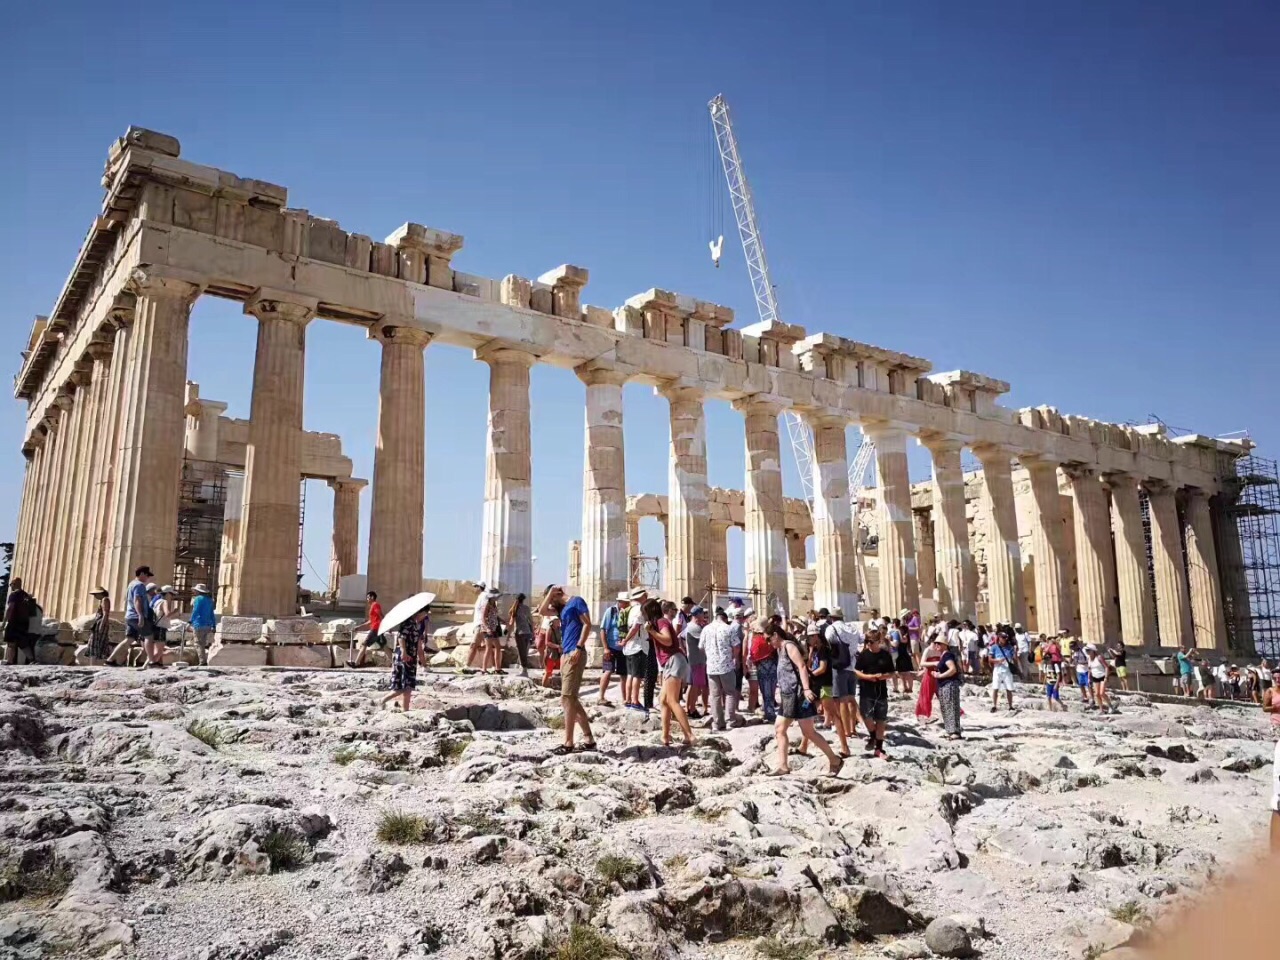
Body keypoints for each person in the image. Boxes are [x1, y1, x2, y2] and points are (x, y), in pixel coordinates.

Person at [770, 621, 843, 776]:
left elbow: (802, 667)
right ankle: (783, 765)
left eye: (768, 639)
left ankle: (834, 759)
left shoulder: (789, 646)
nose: (768, 643)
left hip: (798, 695)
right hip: (788, 695)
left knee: (809, 732)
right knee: (780, 728)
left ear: (775, 635)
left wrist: (806, 689)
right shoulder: (781, 648)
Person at [539, 585, 596, 754]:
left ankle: (568, 742)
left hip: (575, 653)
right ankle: (589, 739)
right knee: (571, 698)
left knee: (566, 697)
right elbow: (542, 611)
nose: (550, 602)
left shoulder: (576, 602)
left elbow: (587, 623)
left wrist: (579, 647)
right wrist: (549, 595)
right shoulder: (562, 610)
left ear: (559, 593)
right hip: (566, 654)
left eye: (552, 598)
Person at [646, 599, 695, 748]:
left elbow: (667, 641)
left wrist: (652, 632)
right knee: (663, 700)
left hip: (674, 660)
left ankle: (689, 735)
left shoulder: (661, 622)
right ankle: (665, 736)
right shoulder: (661, 622)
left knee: (672, 700)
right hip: (672, 662)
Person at [380, 604, 430, 712]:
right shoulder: (409, 624)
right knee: (403, 686)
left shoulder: (414, 625)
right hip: (405, 658)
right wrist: (404, 651)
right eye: (425, 614)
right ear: (420, 613)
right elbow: (401, 637)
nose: (425, 616)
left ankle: (404, 708)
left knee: (406, 686)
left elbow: (418, 647)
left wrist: (423, 663)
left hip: (410, 659)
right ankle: (385, 701)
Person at [855, 629, 896, 759]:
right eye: (866, 641)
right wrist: (868, 677)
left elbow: (892, 673)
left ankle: (879, 748)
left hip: (881, 691)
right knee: (866, 717)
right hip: (866, 690)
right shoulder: (863, 655)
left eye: (871, 642)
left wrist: (881, 677)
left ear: (878, 641)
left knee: (880, 720)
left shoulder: (885, 655)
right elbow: (856, 671)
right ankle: (872, 735)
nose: (868, 644)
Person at [807, 624, 846, 754]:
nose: (809, 640)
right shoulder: (817, 649)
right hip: (816, 685)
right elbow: (810, 665)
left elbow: (822, 668)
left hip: (825, 685)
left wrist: (810, 674)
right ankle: (803, 745)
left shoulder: (824, 649)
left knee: (832, 713)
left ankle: (845, 747)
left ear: (816, 636)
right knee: (805, 711)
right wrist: (811, 652)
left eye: (810, 637)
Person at [702, 607, 742, 730]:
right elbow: (736, 646)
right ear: (724, 618)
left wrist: (709, 657)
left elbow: (701, 646)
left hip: (711, 666)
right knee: (730, 693)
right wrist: (735, 658)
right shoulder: (728, 628)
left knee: (715, 695)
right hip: (727, 665)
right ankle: (730, 720)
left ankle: (717, 722)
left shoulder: (706, 629)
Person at [826, 609, 861, 746]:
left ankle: (846, 730)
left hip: (839, 666)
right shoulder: (852, 629)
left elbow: (828, 643)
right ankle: (853, 728)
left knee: (842, 700)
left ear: (832, 618)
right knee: (851, 698)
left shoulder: (831, 629)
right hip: (852, 665)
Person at [112, 566, 154, 668]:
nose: (148, 578)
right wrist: (140, 615)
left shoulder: (131, 584)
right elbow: (137, 600)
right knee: (149, 636)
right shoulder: (139, 585)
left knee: (129, 639)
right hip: (136, 615)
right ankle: (153, 661)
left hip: (129, 616)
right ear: (142, 574)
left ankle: (110, 659)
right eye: (147, 575)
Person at [620, 588, 649, 711]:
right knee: (637, 675)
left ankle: (628, 699)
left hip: (630, 647)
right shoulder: (640, 610)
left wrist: (625, 641)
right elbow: (635, 628)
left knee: (630, 674)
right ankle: (635, 700)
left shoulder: (630, 609)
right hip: (638, 645)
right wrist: (625, 640)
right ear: (643, 596)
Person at [929, 635, 963, 739]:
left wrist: (940, 675)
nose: (936, 645)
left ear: (945, 645)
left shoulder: (948, 655)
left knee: (951, 707)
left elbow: (952, 669)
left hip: (950, 684)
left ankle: (955, 732)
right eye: (935, 643)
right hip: (943, 685)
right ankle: (949, 730)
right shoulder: (943, 656)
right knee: (945, 707)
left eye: (939, 643)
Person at [597, 592, 628, 703]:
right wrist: (605, 648)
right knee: (608, 671)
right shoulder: (611, 611)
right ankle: (601, 697)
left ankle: (625, 699)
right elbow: (603, 630)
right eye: (626, 602)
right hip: (611, 647)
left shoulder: (628, 613)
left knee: (624, 674)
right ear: (620, 602)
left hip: (624, 648)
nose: (627, 604)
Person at [750, 616, 779, 723]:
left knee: (765, 691)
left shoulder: (757, 639)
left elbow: (754, 653)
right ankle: (769, 710)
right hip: (773, 665)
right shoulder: (771, 638)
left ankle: (769, 712)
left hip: (762, 666)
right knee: (771, 690)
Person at [682, 606, 710, 719]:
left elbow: (680, 636)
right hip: (697, 660)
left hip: (693, 659)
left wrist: (685, 651)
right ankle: (692, 708)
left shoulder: (688, 626)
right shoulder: (695, 628)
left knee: (692, 685)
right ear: (697, 615)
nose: (704, 616)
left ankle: (688, 707)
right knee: (694, 686)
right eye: (702, 614)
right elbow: (705, 641)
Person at [3, 578, 37, 665]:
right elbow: (32, 611)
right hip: (24, 622)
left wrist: (4, 622)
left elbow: (10, 608)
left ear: (15, 584)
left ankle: (10, 661)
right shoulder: (26, 595)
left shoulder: (14, 595)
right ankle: (32, 660)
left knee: (11, 642)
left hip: (14, 621)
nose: (11, 586)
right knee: (23, 642)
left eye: (11, 584)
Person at [75, 587, 113, 665]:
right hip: (99, 623)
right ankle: (94, 663)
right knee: (95, 644)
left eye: (96, 594)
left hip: (101, 623)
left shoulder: (105, 599)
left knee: (95, 644)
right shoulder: (103, 600)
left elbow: (106, 613)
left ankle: (94, 664)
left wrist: (102, 625)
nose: (95, 596)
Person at [349, 591, 385, 668]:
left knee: (364, 644)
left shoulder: (375, 605)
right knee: (385, 646)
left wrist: (386, 626)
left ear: (372, 597)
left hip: (375, 629)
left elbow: (381, 615)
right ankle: (394, 663)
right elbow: (370, 621)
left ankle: (356, 663)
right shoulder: (373, 606)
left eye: (368, 597)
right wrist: (359, 627)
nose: (367, 599)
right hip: (377, 629)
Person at [506, 592, 534, 680]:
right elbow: (531, 621)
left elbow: (511, 623)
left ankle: (524, 670)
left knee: (521, 652)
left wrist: (508, 635)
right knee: (525, 651)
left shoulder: (515, 608)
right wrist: (532, 632)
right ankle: (523, 669)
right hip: (528, 632)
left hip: (519, 633)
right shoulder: (527, 608)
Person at [989, 630, 1017, 713]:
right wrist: (998, 661)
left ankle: (1010, 706)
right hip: (997, 669)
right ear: (999, 638)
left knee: (1009, 688)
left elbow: (1014, 658)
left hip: (1007, 670)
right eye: (1003, 638)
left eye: (1005, 638)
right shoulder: (994, 647)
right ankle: (994, 705)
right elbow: (990, 659)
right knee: (995, 688)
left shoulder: (1010, 647)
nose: (1005, 639)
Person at [189, 584, 215, 666]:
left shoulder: (197, 599)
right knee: (203, 644)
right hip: (207, 625)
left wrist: (191, 620)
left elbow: (196, 610)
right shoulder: (210, 600)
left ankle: (202, 661)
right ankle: (203, 660)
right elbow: (212, 613)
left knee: (197, 643)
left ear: (198, 591)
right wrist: (214, 625)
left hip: (198, 624)